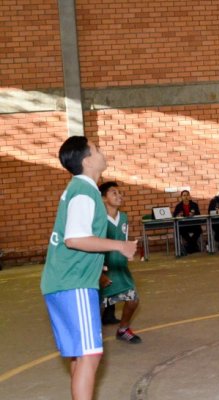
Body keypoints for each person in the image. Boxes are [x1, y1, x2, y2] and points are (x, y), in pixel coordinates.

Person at [41, 136, 137, 400]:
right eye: (96, 149)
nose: (102, 151)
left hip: (61, 283)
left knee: (80, 354)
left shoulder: (79, 189)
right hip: (74, 284)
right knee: (90, 354)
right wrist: (120, 246)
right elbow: (75, 239)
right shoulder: (84, 192)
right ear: (87, 160)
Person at [98, 182, 142, 344]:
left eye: (120, 192)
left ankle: (123, 329)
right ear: (103, 198)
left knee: (133, 299)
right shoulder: (98, 219)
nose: (119, 195)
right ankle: (93, 337)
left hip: (120, 267)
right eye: (113, 193)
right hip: (102, 269)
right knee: (99, 306)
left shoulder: (123, 217)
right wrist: (99, 273)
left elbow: (122, 241)